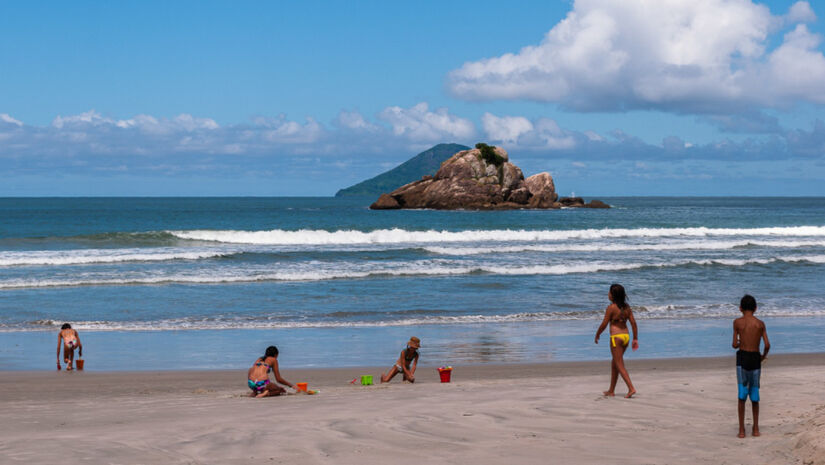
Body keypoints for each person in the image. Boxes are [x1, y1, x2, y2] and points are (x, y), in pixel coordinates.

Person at [732, 294, 770, 438]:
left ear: (740, 308)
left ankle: (742, 431)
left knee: (742, 395)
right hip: (755, 359)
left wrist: (740, 342)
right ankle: (755, 429)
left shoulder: (737, 322)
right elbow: (767, 344)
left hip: (742, 359)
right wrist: (762, 356)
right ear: (755, 308)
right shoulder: (760, 324)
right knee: (754, 394)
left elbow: (734, 344)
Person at [595, 284, 639, 398]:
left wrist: (597, 334)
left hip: (616, 338)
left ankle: (631, 388)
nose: (608, 294)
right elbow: (633, 323)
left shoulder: (611, 308)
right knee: (614, 363)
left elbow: (604, 324)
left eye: (609, 292)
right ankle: (611, 390)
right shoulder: (627, 307)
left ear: (613, 295)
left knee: (619, 364)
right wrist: (635, 338)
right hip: (626, 337)